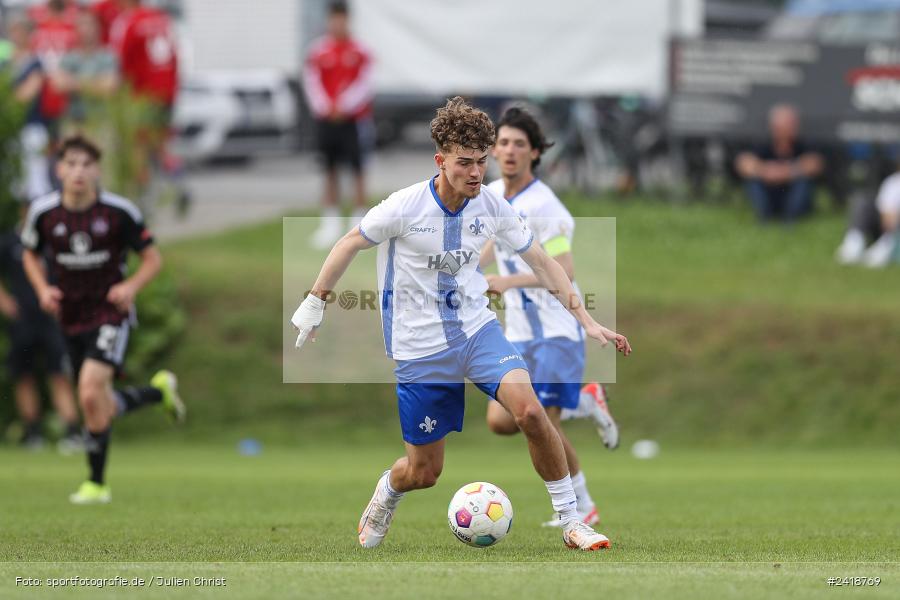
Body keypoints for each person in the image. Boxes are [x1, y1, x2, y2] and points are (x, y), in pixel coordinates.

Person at [290, 97, 631, 551]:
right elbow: (349, 243)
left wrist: (586, 319)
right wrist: (316, 303)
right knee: (424, 473)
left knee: (529, 412)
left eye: (481, 161)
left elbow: (544, 262)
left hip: (477, 331)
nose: (475, 172)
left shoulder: (491, 204)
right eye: (464, 163)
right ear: (441, 161)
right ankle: (389, 489)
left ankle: (572, 521)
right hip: (419, 346)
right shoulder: (404, 206)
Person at [21, 135, 185, 505]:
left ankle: (96, 484)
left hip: (111, 312)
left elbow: (152, 259)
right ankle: (158, 393)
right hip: (70, 316)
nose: (79, 171)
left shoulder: (118, 212)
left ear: (97, 169)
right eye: (71, 163)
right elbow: (30, 255)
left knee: (90, 390)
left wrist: (130, 287)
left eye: (87, 164)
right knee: (99, 404)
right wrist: (42, 289)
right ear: (59, 168)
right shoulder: (44, 213)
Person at [478, 107, 619, 527]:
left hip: (557, 328)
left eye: (519, 144)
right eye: (502, 142)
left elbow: (566, 271)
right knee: (501, 421)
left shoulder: (543, 204)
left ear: (535, 153)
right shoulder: (491, 193)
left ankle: (582, 507)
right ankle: (584, 399)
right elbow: (486, 244)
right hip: (519, 332)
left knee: (545, 425)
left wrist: (508, 283)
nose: (509, 150)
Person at [0, 208, 80, 453]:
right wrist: (5, 302)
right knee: (24, 376)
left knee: (60, 374)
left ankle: (72, 432)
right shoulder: (9, 243)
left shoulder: (54, 241)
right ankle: (33, 433)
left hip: (52, 320)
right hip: (22, 320)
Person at [302, 1, 374, 249]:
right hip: (327, 121)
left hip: (353, 120)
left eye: (341, 18)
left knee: (358, 170)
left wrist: (343, 105)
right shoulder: (318, 51)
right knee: (329, 169)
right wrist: (326, 107)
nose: (337, 23)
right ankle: (330, 223)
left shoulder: (361, 50)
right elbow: (312, 83)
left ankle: (360, 223)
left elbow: (365, 84)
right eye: (334, 18)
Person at [734, 104, 824, 223]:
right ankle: (764, 215)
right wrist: (765, 171)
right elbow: (743, 163)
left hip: (792, 193)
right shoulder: (761, 143)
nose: (786, 129)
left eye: (790, 125)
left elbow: (815, 164)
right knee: (753, 181)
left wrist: (786, 172)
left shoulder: (805, 143)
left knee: (803, 181)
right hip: (769, 190)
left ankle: (791, 218)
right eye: (782, 126)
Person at [6, 12, 53, 201]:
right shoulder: (7, 61)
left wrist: (8, 99)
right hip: (11, 129)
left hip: (32, 126)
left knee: (36, 180)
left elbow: (27, 94)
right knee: (15, 183)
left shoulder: (35, 62)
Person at [835, 160, 900, 267]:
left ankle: (886, 246)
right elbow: (886, 211)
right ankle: (854, 242)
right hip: (888, 225)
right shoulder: (893, 182)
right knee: (862, 201)